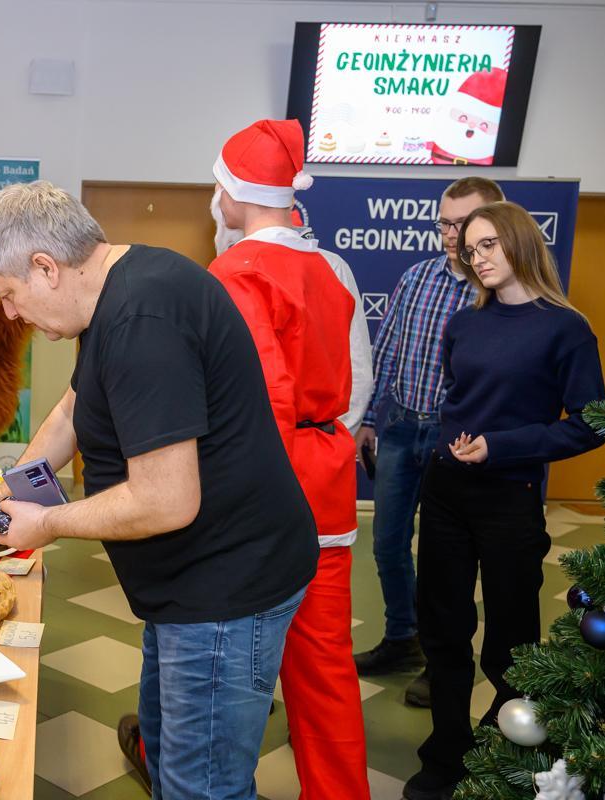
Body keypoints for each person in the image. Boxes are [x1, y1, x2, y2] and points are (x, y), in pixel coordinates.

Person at [0, 180, 319, 800]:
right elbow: (73, 408)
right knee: (169, 761)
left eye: (7, 294)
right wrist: (7, 493)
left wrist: (47, 523)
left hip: (223, 588)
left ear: (46, 268)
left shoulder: (144, 321)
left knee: (203, 788)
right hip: (190, 586)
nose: (8, 313)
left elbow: (167, 500)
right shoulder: (120, 285)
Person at [403, 201, 605, 800]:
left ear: (520, 240)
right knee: (443, 629)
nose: (478, 258)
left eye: (488, 244)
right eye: (470, 250)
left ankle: (509, 755)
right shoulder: (464, 323)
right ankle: (445, 753)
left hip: (510, 498)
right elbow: (457, 401)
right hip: (445, 491)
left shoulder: (565, 328)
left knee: (511, 639)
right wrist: (454, 445)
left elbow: (592, 423)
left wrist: (501, 447)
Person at [208, 119, 369, 799]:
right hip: (328, 493)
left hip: (256, 503)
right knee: (326, 669)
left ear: (233, 192)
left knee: (223, 666)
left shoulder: (233, 273)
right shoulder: (334, 268)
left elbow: (251, 401)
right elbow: (357, 385)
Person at [353, 177, 505, 708]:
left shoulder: (496, 293)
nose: (452, 234)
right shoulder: (416, 277)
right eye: (445, 223)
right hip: (399, 427)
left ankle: (442, 664)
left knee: (446, 558)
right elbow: (387, 350)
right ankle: (403, 637)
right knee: (387, 543)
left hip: (454, 441)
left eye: (464, 223)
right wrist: (368, 419)